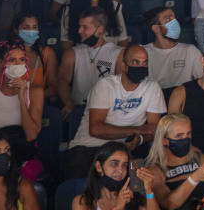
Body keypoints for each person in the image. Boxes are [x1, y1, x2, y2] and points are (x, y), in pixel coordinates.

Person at [66, 44, 166, 179]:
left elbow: (153, 128)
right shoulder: (105, 85)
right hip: (89, 148)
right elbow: (96, 129)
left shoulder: (152, 87)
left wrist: (140, 139)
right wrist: (135, 130)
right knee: (85, 188)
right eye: (135, 62)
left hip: (125, 151)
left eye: (145, 63)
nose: (141, 67)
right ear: (124, 65)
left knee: (138, 185)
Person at [0, 40, 44, 169]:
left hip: (26, 150)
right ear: (2, 63)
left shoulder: (36, 91)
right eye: (12, 60)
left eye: (21, 60)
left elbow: (32, 135)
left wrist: (21, 97)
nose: (17, 64)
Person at [144, 113, 204, 210]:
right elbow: (169, 204)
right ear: (164, 140)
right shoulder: (155, 171)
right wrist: (194, 178)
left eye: (188, 134)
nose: (185, 139)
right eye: (179, 136)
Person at [58, 8, 123, 118]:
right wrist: (69, 103)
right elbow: (62, 80)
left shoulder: (118, 53)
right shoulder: (72, 53)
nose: (79, 31)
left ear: (100, 29)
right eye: (80, 26)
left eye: (85, 27)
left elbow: (122, 86)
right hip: (79, 109)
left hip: (108, 110)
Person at [0, 13, 59, 100]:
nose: (31, 32)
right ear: (16, 30)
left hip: (37, 105)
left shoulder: (47, 53)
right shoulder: (4, 53)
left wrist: (32, 97)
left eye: (34, 27)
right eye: (26, 28)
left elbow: (54, 87)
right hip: (8, 103)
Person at [72, 142, 159, 210]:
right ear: (99, 167)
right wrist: (119, 207)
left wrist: (149, 191)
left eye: (124, 165)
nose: (120, 170)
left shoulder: (132, 198)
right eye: (114, 164)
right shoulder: (83, 201)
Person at [138, 7, 203, 91]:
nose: (174, 22)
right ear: (156, 28)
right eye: (168, 19)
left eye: (174, 18)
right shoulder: (143, 52)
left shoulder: (190, 51)